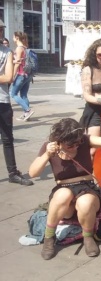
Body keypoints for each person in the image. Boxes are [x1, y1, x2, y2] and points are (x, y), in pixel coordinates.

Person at [28, 118, 101, 260]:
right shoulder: (49, 147)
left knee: (85, 202)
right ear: (59, 141)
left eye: (78, 143)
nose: (76, 147)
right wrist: (47, 155)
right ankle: (49, 237)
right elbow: (33, 173)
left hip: (87, 187)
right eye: (71, 145)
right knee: (62, 195)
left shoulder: (83, 141)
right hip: (64, 188)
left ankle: (88, 236)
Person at [0, 31, 33, 186]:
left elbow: (9, 78)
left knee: (7, 139)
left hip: (3, 100)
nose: (0, 33)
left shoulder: (6, 52)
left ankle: (13, 173)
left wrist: (15, 66)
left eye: (1, 30)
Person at [9, 32, 34, 121]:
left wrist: (12, 75)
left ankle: (28, 110)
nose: (12, 38)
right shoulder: (25, 47)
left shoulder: (19, 48)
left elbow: (18, 63)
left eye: (13, 37)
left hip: (21, 74)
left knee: (13, 94)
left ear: (16, 38)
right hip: (28, 75)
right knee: (23, 95)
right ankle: (26, 115)